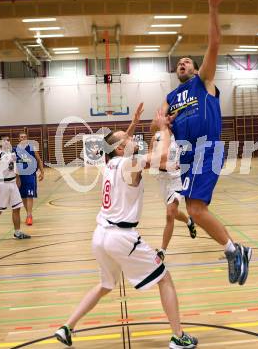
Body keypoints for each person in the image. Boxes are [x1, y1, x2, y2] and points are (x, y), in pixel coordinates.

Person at [55, 110, 198, 349]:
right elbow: (163, 156)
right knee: (164, 279)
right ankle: (178, 337)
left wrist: (131, 125)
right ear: (121, 148)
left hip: (100, 235)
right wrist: (164, 127)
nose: (133, 139)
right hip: (121, 237)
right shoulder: (130, 164)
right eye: (129, 138)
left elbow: (115, 145)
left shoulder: (109, 162)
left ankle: (67, 326)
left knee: (105, 285)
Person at [157, 0, 252, 286]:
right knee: (195, 210)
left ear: (197, 69)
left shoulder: (203, 82)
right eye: (178, 62)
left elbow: (214, 43)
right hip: (184, 155)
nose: (181, 63)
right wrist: (161, 123)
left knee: (195, 209)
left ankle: (234, 250)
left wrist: (213, 7)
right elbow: (156, 124)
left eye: (187, 61)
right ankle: (234, 249)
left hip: (204, 149)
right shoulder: (171, 96)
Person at [149, 128, 197, 260]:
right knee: (174, 213)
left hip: (177, 180)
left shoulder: (183, 136)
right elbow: (151, 161)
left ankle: (162, 251)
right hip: (162, 180)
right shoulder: (156, 138)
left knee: (170, 213)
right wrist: (165, 166)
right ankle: (189, 222)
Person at [0, 135, 31, 241]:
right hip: (1, 185)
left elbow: (14, 167)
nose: (7, 141)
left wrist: (18, 178)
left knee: (17, 208)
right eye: (4, 140)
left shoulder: (12, 153)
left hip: (12, 183)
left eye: (8, 140)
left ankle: (17, 232)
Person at [14, 131, 44, 226]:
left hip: (30, 175)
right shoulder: (15, 149)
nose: (23, 138)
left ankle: (29, 216)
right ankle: (28, 213)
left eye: (25, 137)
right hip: (20, 176)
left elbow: (39, 160)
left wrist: (42, 172)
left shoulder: (31, 148)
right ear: (19, 139)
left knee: (30, 195)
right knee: (23, 196)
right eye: (21, 137)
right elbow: (11, 162)